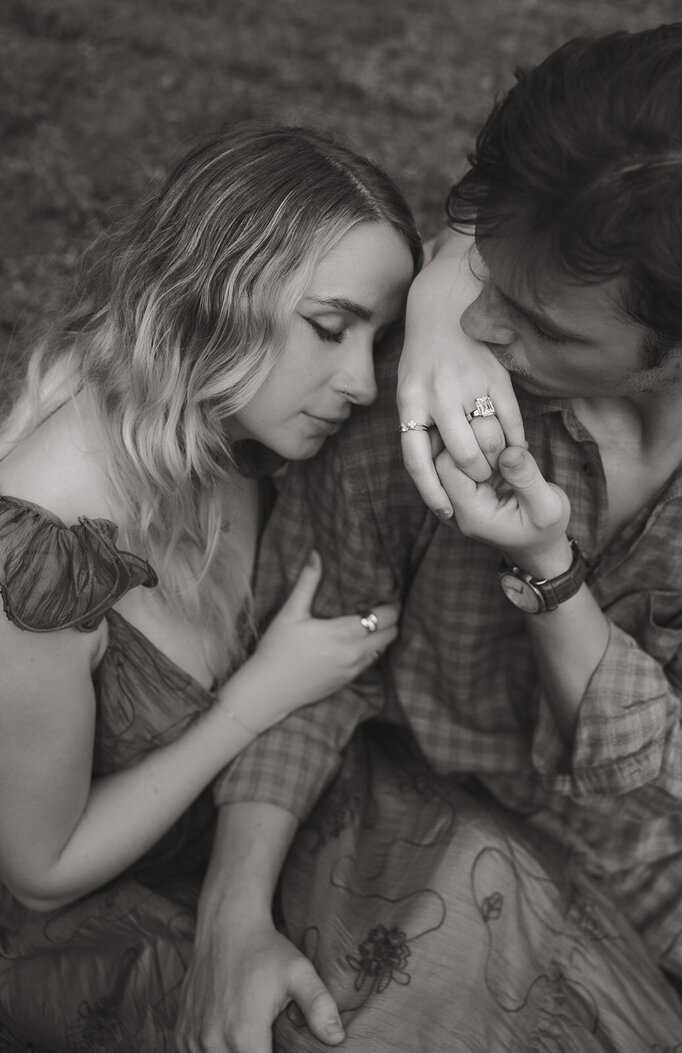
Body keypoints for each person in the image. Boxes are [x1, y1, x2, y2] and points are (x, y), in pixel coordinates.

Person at [170, 21, 682, 1053]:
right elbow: (319, 656)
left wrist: (549, 573)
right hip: (421, 803)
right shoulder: (412, 393)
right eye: (484, 277)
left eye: (542, 327)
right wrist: (230, 914)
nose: (483, 332)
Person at [0, 122, 420, 1050]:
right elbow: (42, 871)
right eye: (331, 328)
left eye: (379, 337)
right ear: (214, 296)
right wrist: (260, 694)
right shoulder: (38, 557)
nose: (361, 380)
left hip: (232, 822)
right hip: (87, 918)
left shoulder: (227, 426)